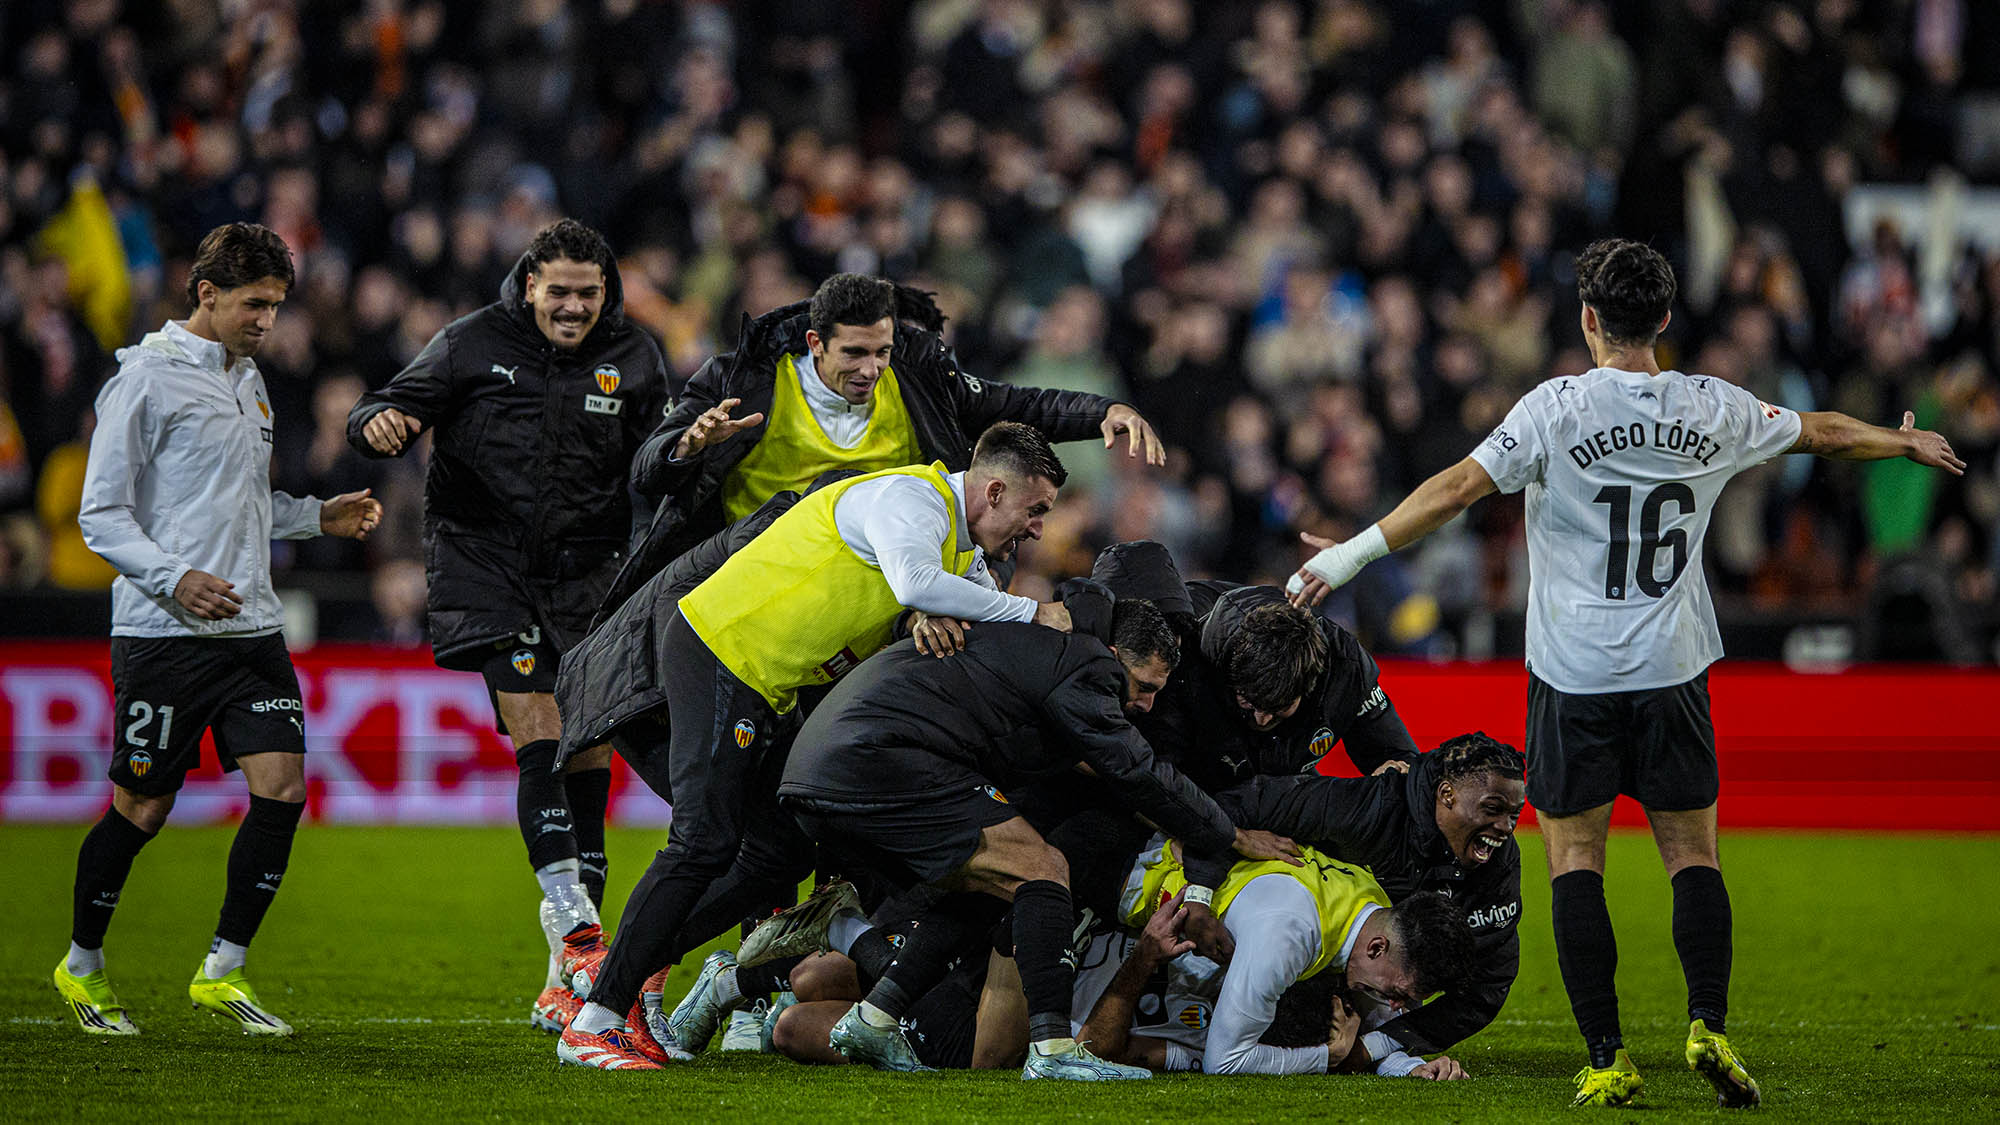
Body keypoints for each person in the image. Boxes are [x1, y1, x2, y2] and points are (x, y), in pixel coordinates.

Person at [1286, 238, 1965, 1108]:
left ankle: (1609, 1055)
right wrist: (1899, 442)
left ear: (1588, 320)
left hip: (1574, 675)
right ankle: (1708, 1023)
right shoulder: (1713, 406)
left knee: (1576, 862)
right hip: (1672, 670)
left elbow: (1457, 489)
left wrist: (1346, 556)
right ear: (1666, 320)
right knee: (1694, 855)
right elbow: (1821, 432)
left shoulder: (1556, 408)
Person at [555, 422, 1077, 1071]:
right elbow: (916, 582)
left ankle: (625, 972)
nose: (1037, 529)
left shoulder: (952, 546)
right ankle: (597, 1018)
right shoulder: (910, 498)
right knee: (704, 841)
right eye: (1035, 509)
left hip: (760, 683)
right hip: (721, 651)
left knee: (782, 846)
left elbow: (957, 603)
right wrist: (1033, 611)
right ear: (995, 491)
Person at [345, 218, 669, 1031]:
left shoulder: (635, 356)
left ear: (606, 291)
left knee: (587, 749)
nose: (573, 307)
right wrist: (377, 422)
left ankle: (565, 976)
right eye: (558, 291)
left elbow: (657, 464)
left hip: (588, 576)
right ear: (530, 284)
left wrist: (691, 449)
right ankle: (576, 926)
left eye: (587, 293)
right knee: (543, 732)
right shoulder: (470, 342)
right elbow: (383, 406)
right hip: (486, 567)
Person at [60, 222, 381, 1037]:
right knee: (143, 807)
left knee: (283, 789)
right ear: (207, 293)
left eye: (275, 305)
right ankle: (81, 963)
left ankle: (223, 967)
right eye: (254, 304)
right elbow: (100, 514)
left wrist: (316, 516)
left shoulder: (249, 379)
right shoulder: (145, 379)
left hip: (251, 628)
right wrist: (174, 576)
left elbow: (242, 505)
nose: (267, 321)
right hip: (164, 633)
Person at [773, 586, 1293, 1081]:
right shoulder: (1087, 665)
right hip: (879, 759)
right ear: (1115, 656)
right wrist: (1229, 835)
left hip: (830, 765)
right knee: (1044, 867)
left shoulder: (1045, 646)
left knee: (988, 880)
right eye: (1144, 686)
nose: (1147, 705)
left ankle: (875, 1017)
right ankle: (1052, 1052)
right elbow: (1136, 770)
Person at [599, 272, 1166, 619]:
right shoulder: (740, 381)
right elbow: (647, 472)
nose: (872, 369)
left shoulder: (919, 378)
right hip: (759, 585)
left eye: (882, 352)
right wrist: (689, 446)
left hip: (879, 590)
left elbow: (1011, 403)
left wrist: (1101, 412)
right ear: (815, 343)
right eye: (854, 354)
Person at [1205, 732, 1528, 1060]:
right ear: (1447, 795)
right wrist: (1200, 892)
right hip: (1279, 948)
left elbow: (1489, 983)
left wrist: (1377, 1047)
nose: (1506, 827)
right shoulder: (1370, 808)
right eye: (1493, 809)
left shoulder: (1498, 866)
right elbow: (1244, 804)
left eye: (1515, 815)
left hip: (1372, 974)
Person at [1100, 841, 1474, 1077]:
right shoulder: (1286, 937)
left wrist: (1410, 1067)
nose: (1394, 1006)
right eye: (1398, 993)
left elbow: (1373, 1015)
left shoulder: (1371, 907)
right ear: (1377, 948)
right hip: (1114, 881)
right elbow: (1224, 1062)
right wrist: (1327, 1057)